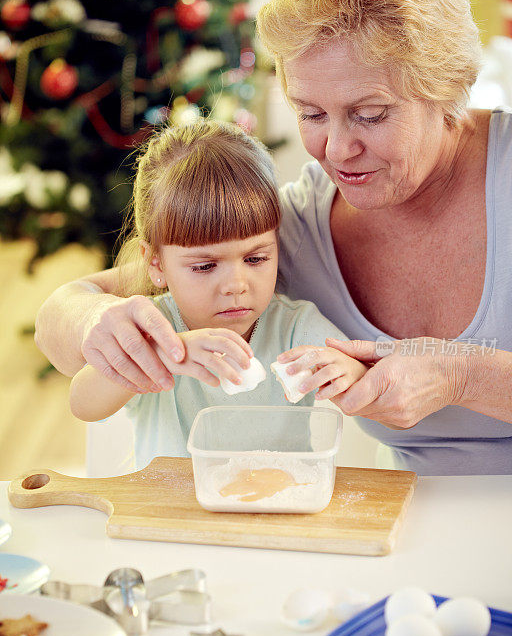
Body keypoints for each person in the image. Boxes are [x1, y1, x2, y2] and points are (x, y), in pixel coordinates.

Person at [35, 0, 512, 476]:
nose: (336, 150)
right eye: (311, 113)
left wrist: (462, 376)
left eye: (369, 115)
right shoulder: (290, 235)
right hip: (422, 519)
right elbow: (61, 319)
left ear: (446, 88)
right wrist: (96, 324)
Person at [67, 119, 365, 468]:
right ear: (157, 264)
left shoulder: (295, 326)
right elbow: (82, 404)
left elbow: (360, 378)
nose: (236, 285)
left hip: (278, 511)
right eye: (205, 266)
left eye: (256, 258)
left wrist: (348, 371)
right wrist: (160, 356)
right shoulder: (152, 328)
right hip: (171, 514)